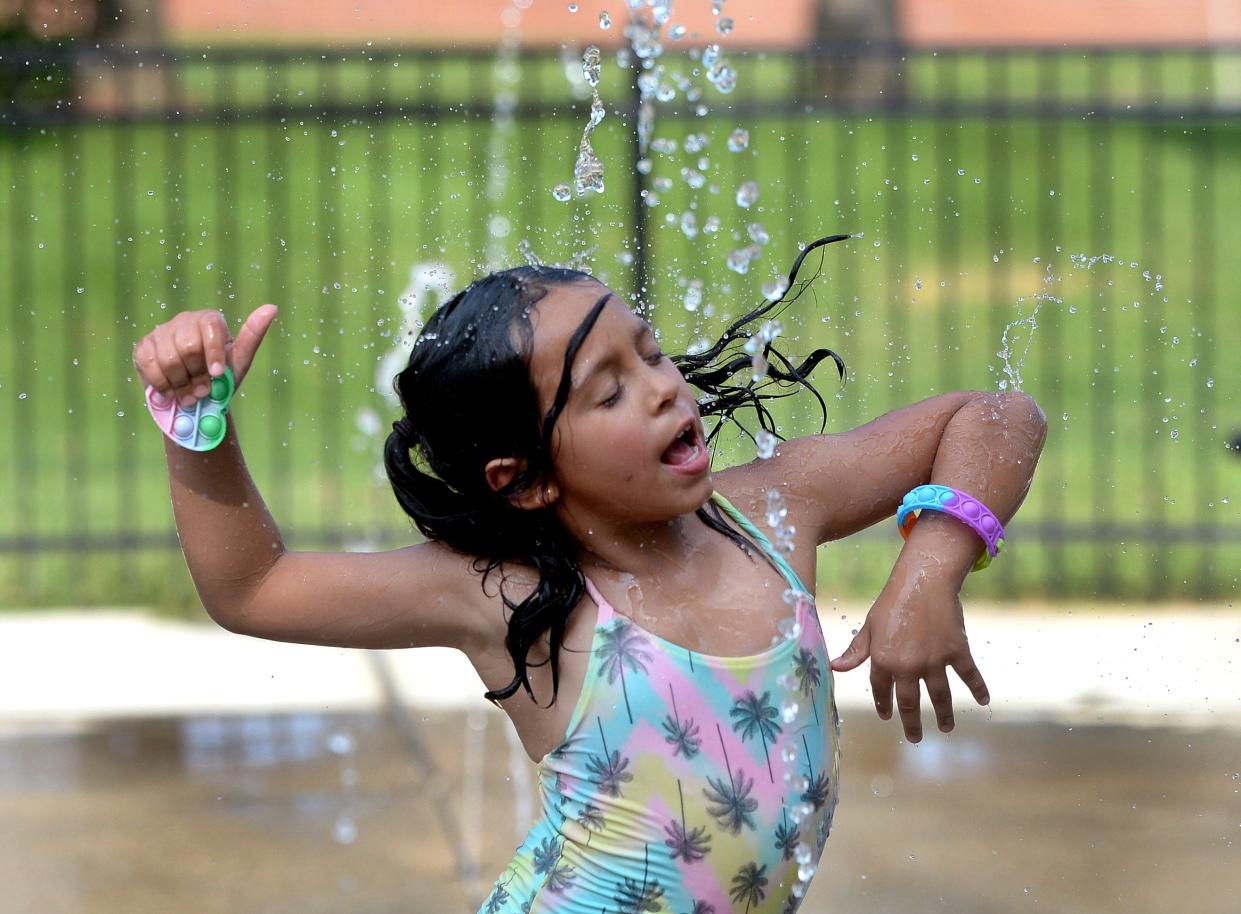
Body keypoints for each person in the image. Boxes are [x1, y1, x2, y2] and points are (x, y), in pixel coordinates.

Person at [132, 237, 1047, 913]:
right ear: (524, 479)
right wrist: (195, 429)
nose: (659, 388)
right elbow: (253, 586)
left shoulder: (771, 510)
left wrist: (929, 568)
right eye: (607, 392)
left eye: (648, 353)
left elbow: (995, 416)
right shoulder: (508, 593)